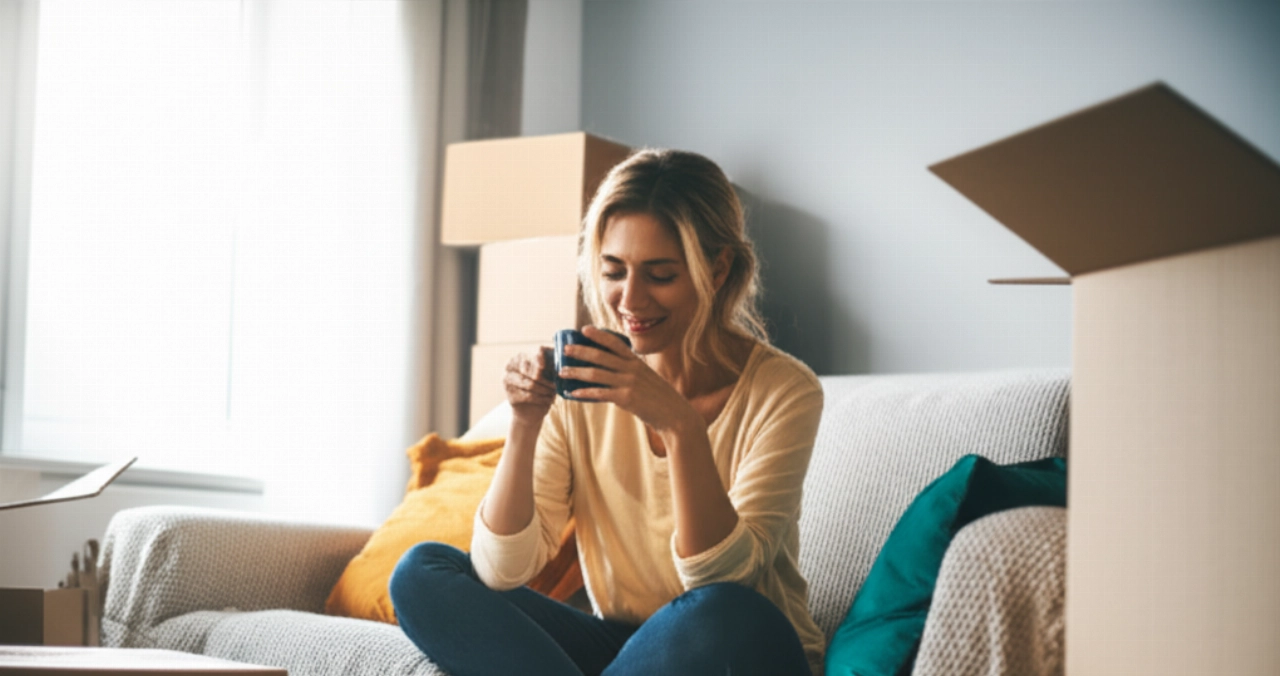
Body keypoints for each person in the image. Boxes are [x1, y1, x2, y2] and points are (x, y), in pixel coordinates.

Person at [390, 149, 826, 676]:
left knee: (722, 611)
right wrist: (525, 423)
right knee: (422, 571)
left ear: (717, 270)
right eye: (614, 271)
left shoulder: (785, 392)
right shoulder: (580, 386)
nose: (630, 301)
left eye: (660, 275)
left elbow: (720, 580)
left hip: (741, 644)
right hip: (630, 650)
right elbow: (501, 570)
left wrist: (679, 425)